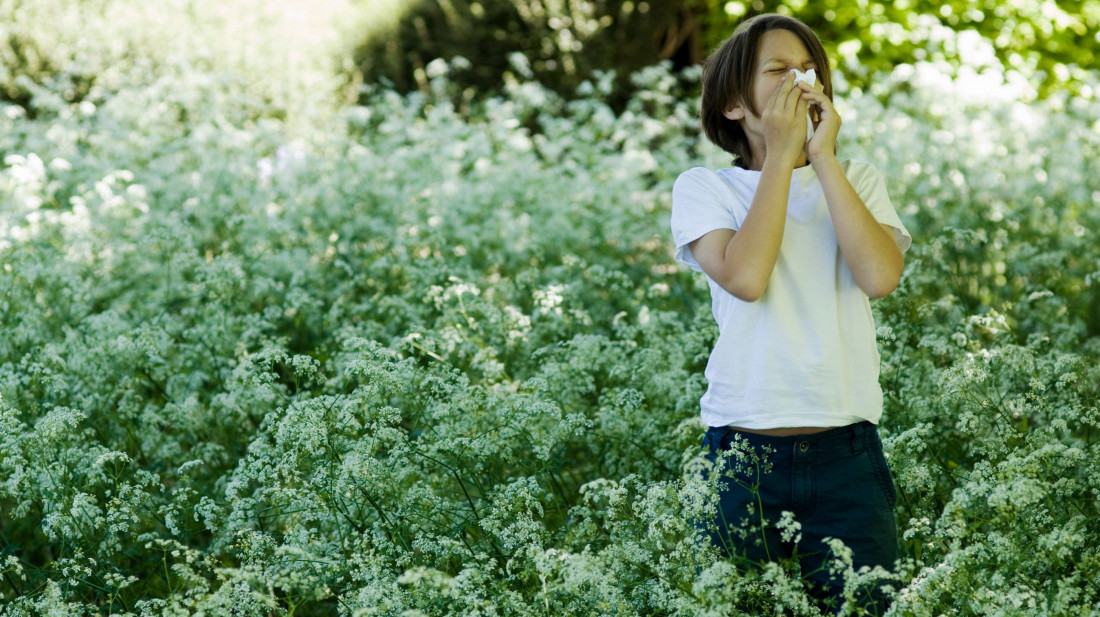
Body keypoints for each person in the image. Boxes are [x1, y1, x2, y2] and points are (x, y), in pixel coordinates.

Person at [669, 13, 913, 615]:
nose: (798, 80)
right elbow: (746, 277)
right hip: (740, 458)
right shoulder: (706, 189)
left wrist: (821, 158)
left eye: (808, 71)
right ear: (731, 105)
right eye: (777, 70)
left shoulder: (856, 179)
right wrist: (781, 158)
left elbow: (880, 276)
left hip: (848, 458)